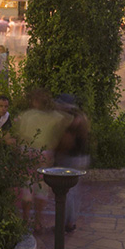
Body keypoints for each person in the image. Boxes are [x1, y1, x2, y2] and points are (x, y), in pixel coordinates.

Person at [16, 89, 67, 233]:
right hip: (44, 154)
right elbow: (65, 120)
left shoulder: (26, 116)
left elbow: (21, 135)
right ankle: (38, 222)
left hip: (28, 153)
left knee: (27, 187)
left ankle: (25, 221)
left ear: (34, 101)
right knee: (41, 188)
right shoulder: (54, 116)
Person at [53, 94, 89, 233]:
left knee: (67, 192)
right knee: (74, 191)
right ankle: (71, 220)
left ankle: (66, 222)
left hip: (70, 158)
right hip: (81, 157)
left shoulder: (70, 119)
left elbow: (66, 141)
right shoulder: (82, 117)